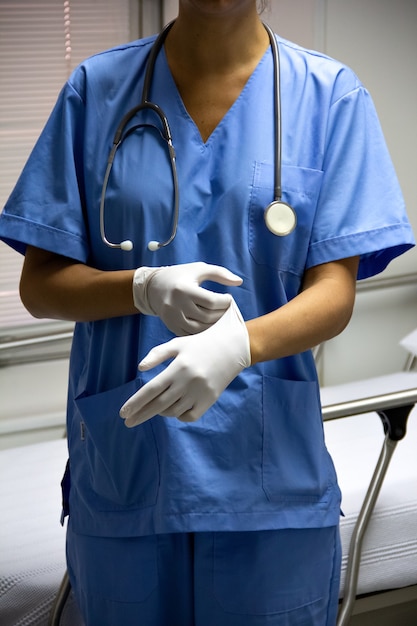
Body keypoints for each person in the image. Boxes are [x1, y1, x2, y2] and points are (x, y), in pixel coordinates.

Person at [0, 1, 414, 624]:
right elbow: (42, 284)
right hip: (127, 469)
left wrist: (237, 346)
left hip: (270, 482)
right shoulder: (97, 89)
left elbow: (335, 292)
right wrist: (140, 286)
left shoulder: (330, 96)